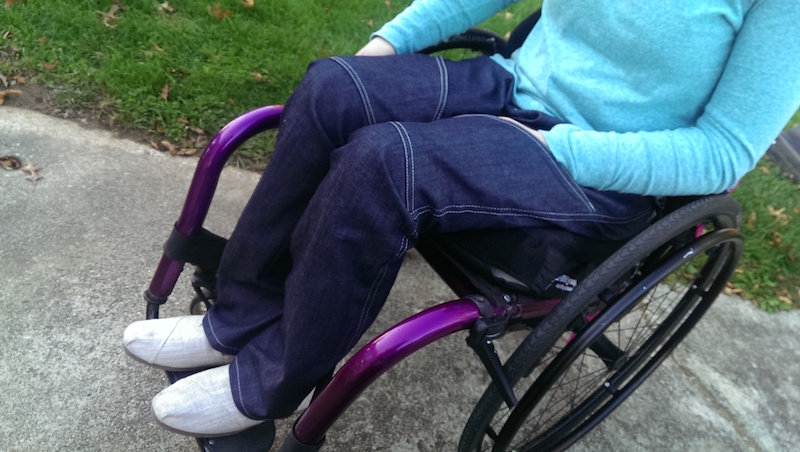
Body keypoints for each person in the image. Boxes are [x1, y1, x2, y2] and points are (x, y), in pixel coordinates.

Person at [123, 0, 800, 440]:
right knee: (335, 86)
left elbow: (721, 154)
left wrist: (559, 147)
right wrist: (387, 45)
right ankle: (239, 318)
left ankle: (272, 379)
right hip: (514, 84)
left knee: (385, 163)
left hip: (597, 166)